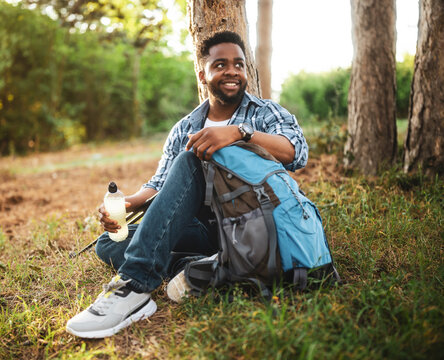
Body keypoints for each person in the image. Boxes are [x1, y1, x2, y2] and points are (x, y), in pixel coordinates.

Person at [66, 31, 308, 339]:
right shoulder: (185, 127)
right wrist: (130, 202)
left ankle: (134, 287)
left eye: (238, 64)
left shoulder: (264, 112)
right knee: (108, 243)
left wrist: (240, 133)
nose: (232, 71)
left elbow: (295, 152)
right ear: (203, 74)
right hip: (204, 227)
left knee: (191, 161)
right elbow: (162, 183)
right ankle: (205, 267)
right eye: (220, 65)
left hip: (253, 224)